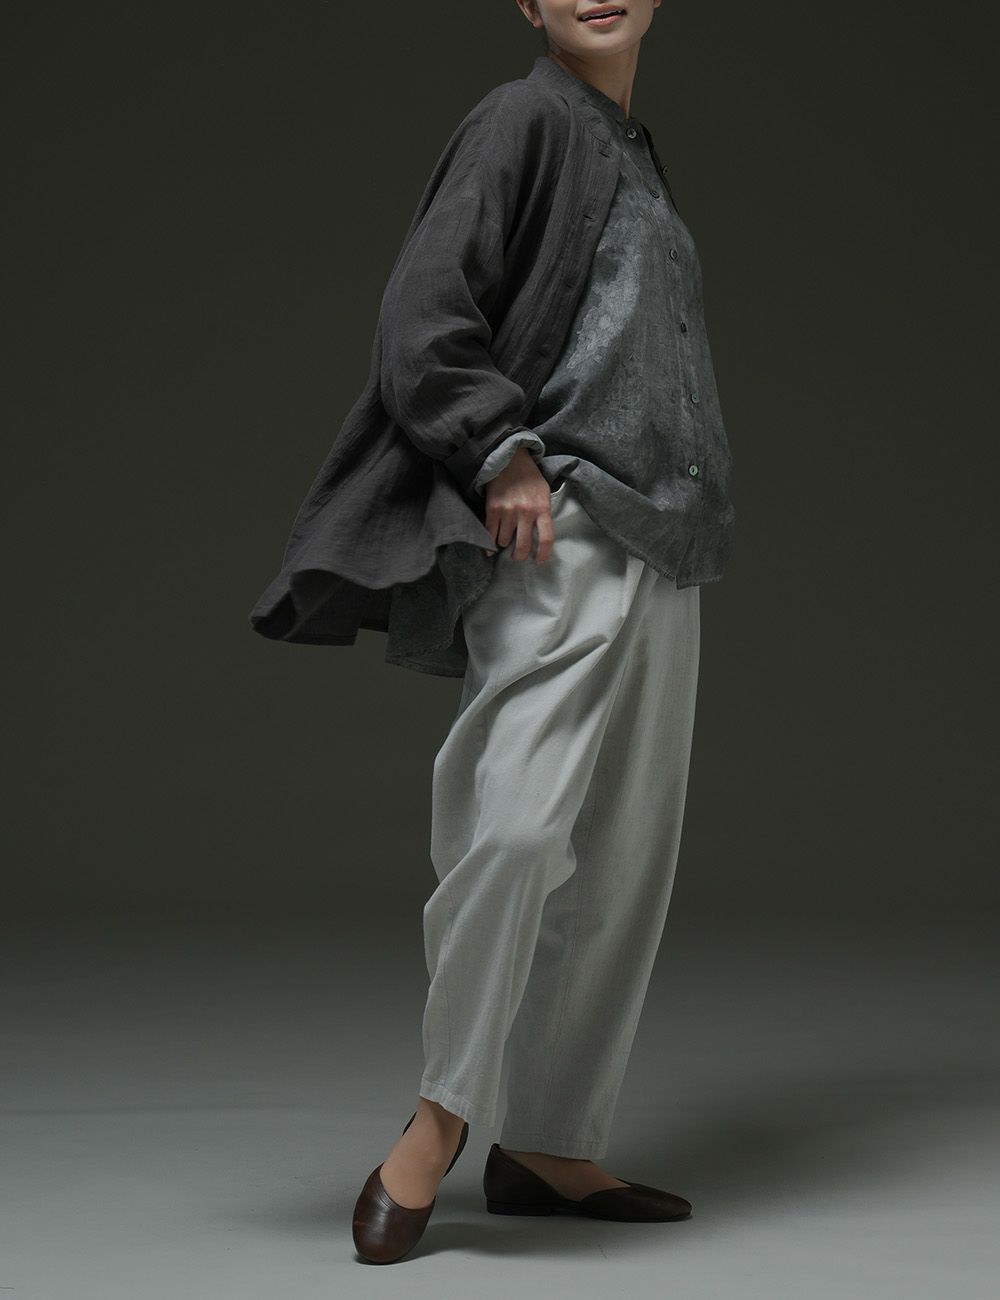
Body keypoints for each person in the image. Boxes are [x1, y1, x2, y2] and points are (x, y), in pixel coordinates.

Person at [250, 0, 737, 1265]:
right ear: (525, 0)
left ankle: (550, 1141)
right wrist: (498, 449)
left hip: (664, 539)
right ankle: (439, 1116)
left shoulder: (632, 148)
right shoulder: (523, 117)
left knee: (620, 864)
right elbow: (423, 311)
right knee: (513, 828)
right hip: (560, 526)